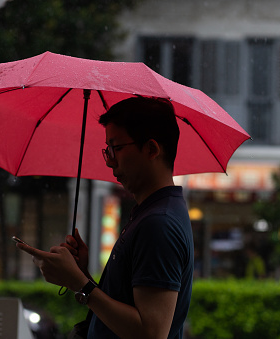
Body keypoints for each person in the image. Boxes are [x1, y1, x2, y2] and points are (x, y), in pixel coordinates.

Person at [16, 96, 194, 338]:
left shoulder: (158, 223)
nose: (109, 161)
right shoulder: (151, 214)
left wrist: (81, 283)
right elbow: (128, 310)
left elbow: (151, 332)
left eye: (116, 148)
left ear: (151, 149)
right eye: (107, 150)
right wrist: (81, 276)